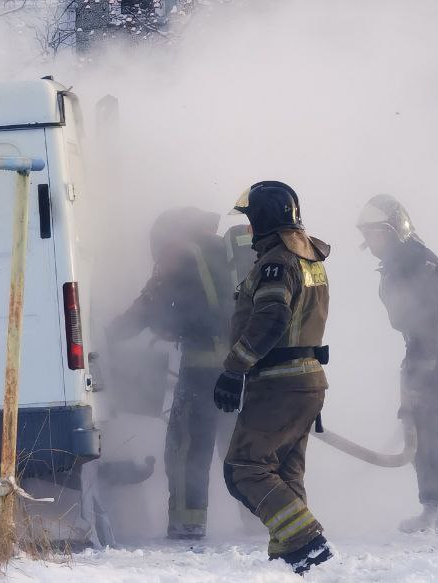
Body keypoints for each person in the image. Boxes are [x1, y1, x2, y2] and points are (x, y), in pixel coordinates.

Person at [212, 180, 335, 574]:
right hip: (307, 380)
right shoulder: (308, 259)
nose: (248, 230)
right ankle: (291, 556)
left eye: (250, 221)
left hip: (280, 382)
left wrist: (235, 369)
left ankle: (306, 541)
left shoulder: (276, 263)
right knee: (284, 471)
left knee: (244, 468)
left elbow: (271, 317)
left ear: (263, 219)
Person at [106, 207, 235, 540]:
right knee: (241, 451)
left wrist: (108, 333)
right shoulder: (226, 250)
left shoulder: (179, 253)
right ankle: (258, 524)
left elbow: (148, 306)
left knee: (185, 450)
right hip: (243, 368)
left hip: (203, 369)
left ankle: (186, 528)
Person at [355, 194, 438, 534]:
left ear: (393, 231)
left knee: (426, 420)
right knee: (422, 421)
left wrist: (418, 375)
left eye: (374, 234)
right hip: (429, 349)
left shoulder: (417, 265)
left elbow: (427, 323)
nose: (369, 242)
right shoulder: (400, 262)